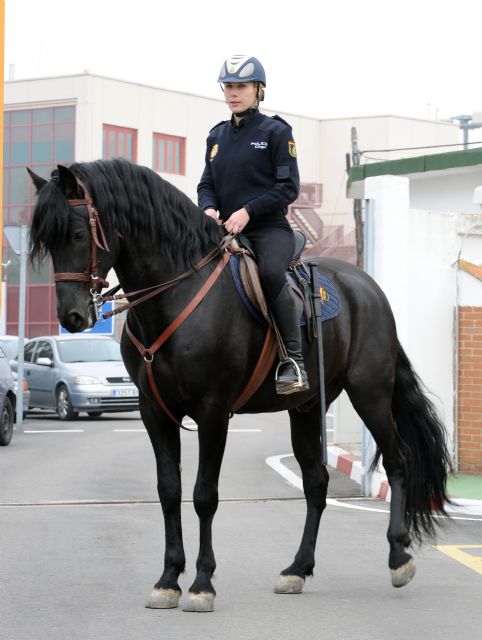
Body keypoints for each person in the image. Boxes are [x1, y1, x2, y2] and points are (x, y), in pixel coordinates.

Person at [197, 54, 309, 395]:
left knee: (271, 275)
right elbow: (206, 185)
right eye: (228, 86)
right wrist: (209, 209)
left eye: (241, 86)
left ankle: (293, 361)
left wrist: (248, 211)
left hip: (267, 229)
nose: (233, 93)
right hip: (223, 230)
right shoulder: (216, 137)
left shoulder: (276, 132)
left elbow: (287, 188)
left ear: (258, 90)